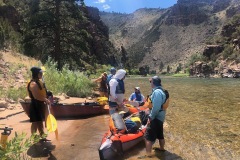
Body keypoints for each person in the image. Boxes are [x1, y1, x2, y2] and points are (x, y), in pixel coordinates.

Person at [141, 76, 167, 158]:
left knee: (148, 137)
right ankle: (162, 149)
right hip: (160, 118)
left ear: (153, 83)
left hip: (155, 118)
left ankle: (148, 155)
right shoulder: (162, 91)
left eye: (150, 82)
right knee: (160, 135)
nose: (150, 83)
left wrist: (150, 117)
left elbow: (156, 107)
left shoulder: (157, 92)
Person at [27, 67, 50, 138]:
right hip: (35, 104)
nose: (42, 74)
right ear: (36, 74)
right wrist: (45, 100)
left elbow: (41, 92)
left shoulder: (39, 82)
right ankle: (33, 137)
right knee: (35, 122)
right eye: (40, 73)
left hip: (40, 104)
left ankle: (42, 135)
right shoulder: (33, 84)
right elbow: (36, 96)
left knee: (40, 121)